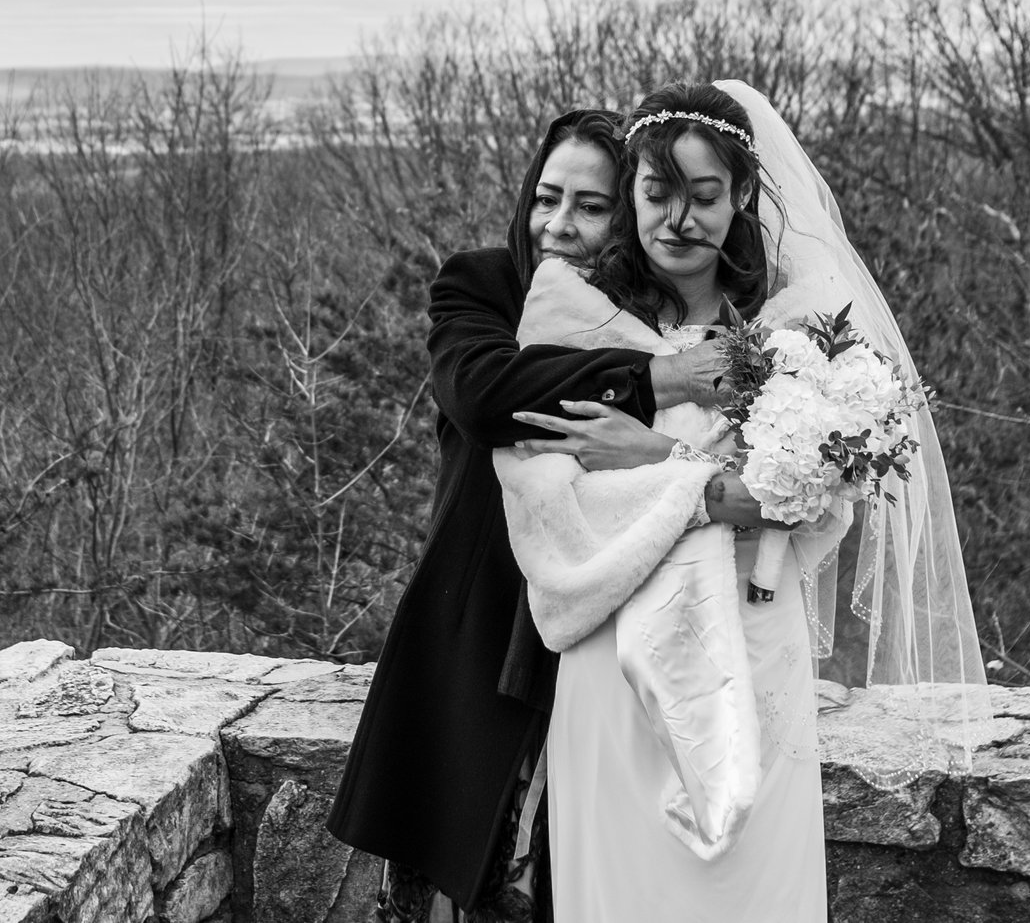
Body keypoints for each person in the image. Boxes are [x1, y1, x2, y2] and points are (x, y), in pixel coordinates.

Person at [499, 81, 983, 922]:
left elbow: (814, 501)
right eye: (657, 193)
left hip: (755, 642)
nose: (679, 220)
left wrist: (655, 458)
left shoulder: (800, 328)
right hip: (613, 651)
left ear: (744, 196)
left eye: (705, 196)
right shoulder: (574, 321)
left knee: (747, 890)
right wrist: (727, 490)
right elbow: (550, 495)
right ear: (630, 196)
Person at [327, 109, 733, 922]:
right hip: (475, 631)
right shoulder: (482, 284)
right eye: (547, 197)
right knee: (449, 883)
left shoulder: (652, 313)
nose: (559, 223)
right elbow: (486, 397)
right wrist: (662, 381)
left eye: (590, 205)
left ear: (626, 214)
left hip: (610, 640)